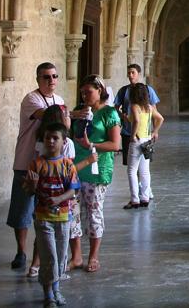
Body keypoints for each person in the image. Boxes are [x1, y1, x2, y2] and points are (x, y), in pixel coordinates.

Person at [25, 121, 97, 308]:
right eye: (47, 138)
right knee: (49, 255)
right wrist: (32, 185)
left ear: (63, 142)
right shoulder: (36, 164)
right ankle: (48, 292)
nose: (50, 141)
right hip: (43, 218)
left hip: (63, 217)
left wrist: (58, 200)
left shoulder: (67, 165)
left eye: (55, 138)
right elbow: (28, 190)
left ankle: (56, 288)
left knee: (61, 255)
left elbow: (72, 190)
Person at [7, 63, 65, 271]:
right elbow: (49, 117)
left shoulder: (59, 100)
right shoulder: (31, 99)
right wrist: (68, 116)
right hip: (26, 162)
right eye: (46, 77)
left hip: (48, 167)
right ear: (38, 79)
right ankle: (21, 251)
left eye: (54, 76)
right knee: (22, 210)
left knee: (43, 213)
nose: (51, 80)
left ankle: (38, 255)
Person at [69, 76, 120, 273]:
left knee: (93, 212)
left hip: (97, 169)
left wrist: (91, 145)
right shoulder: (80, 112)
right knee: (72, 212)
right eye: (82, 92)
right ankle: (76, 256)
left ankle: (93, 256)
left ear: (99, 90)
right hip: (76, 168)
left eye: (88, 92)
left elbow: (115, 145)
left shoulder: (109, 113)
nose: (84, 96)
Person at [25, 105, 80, 278]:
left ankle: (36, 264)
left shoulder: (40, 141)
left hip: (45, 195)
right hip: (61, 201)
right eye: (66, 115)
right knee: (60, 239)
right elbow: (68, 172)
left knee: (43, 237)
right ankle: (56, 273)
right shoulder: (67, 143)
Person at [124, 81, 164, 209]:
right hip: (146, 140)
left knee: (131, 170)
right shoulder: (149, 107)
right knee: (145, 171)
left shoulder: (134, 106)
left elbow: (136, 120)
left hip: (137, 140)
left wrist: (132, 135)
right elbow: (160, 119)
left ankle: (135, 199)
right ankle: (145, 198)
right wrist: (154, 131)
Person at [113, 63, 158, 172]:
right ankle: (137, 186)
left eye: (133, 72)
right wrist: (121, 116)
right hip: (128, 131)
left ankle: (142, 186)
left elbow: (154, 111)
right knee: (131, 164)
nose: (130, 75)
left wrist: (155, 130)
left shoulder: (148, 90)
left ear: (138, 74)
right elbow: (116, 107)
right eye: (129, 73)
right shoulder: (123, 91)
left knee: (143, 165)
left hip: (144, 133)